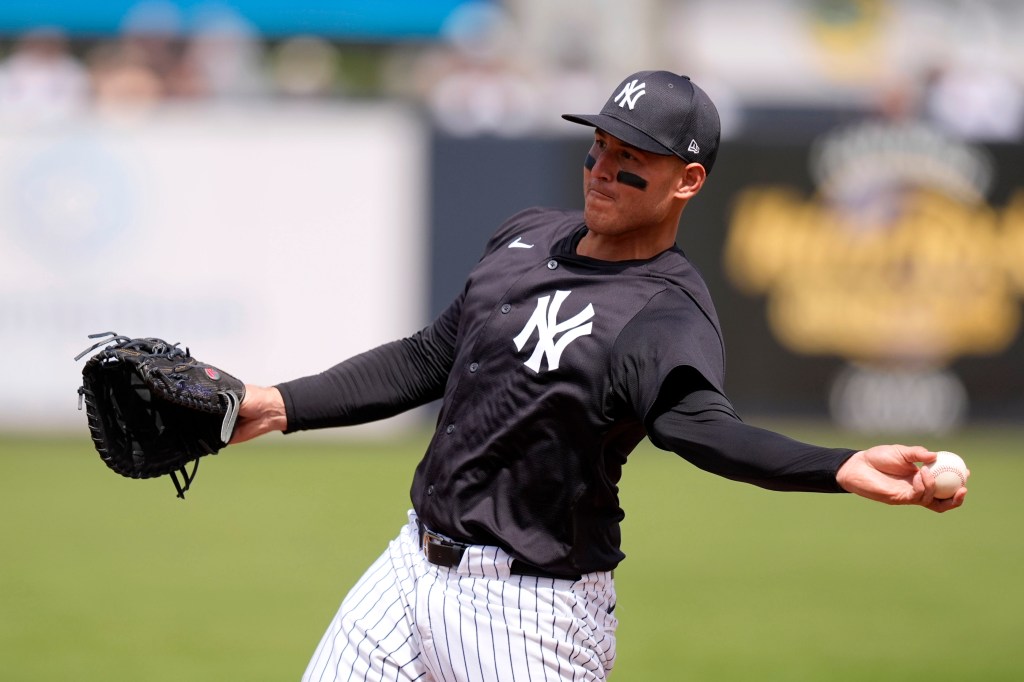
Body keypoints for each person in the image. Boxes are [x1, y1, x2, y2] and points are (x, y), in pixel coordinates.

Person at [231, 70, 968, 681]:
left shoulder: (662, 312)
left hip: (527, 615)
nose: (601, 169)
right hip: (405, 569)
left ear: (687, 181)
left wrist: (838, 466)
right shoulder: (524, 235)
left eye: (629, 159)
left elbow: (701, 429)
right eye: (598, 145)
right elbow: (428, 358)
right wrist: (272, 405)